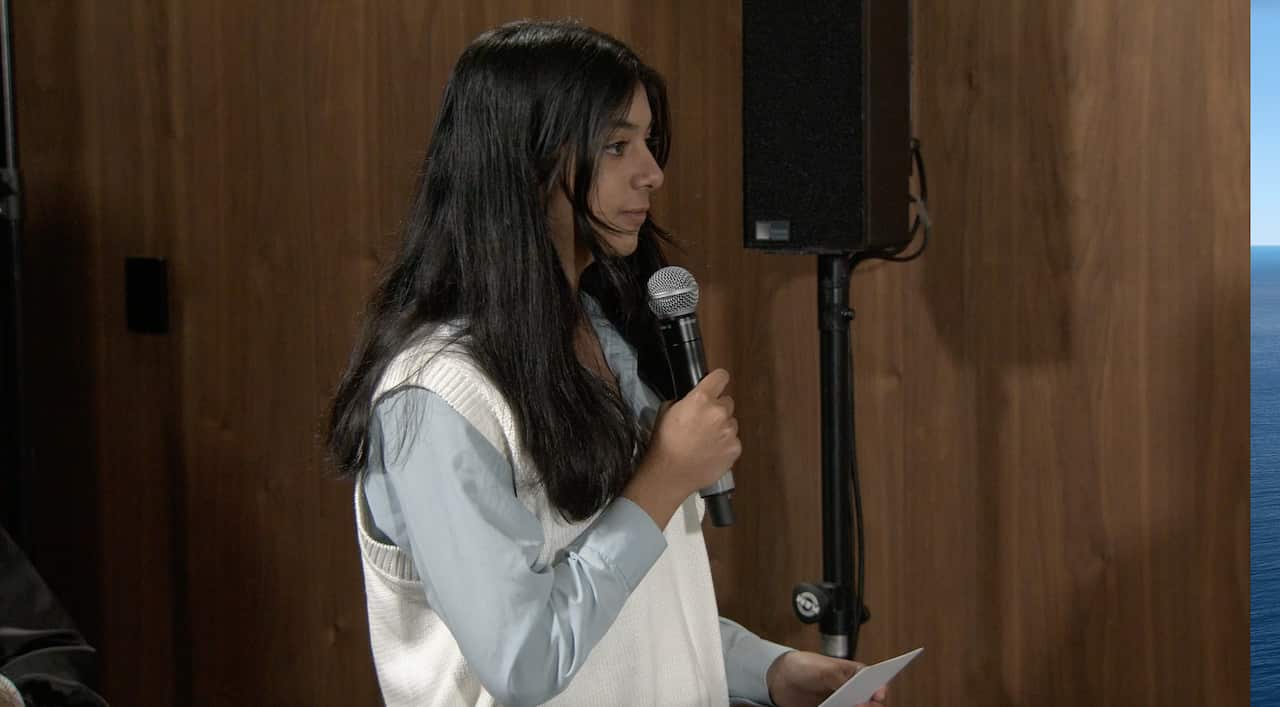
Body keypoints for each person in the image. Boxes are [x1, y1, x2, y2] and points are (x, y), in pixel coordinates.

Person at [327, 19, 889, 707]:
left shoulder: (605, 339)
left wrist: (764, 669)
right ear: (526, 164)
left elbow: (626, 606)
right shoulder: (438, 396)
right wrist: (661, 479)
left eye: (648, 142)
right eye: (617, 145)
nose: (652, 172)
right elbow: (526, 658)